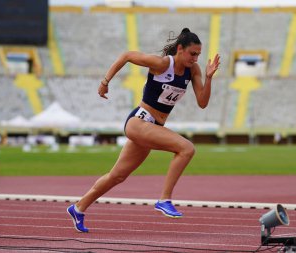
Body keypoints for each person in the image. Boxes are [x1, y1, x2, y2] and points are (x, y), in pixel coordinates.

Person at [67, 28, 220, 233]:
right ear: (180, 49)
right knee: (186, 149)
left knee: (117, 176)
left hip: (153, 127)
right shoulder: (163, 63)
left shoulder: (193, 71)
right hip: (139, 121)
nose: (196, 58)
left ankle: (78, 208)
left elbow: (202, 102)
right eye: (193, 53)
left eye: (199, 54)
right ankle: (164, 199)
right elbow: (127, 56)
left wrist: (209, 78)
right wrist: (105, 82)